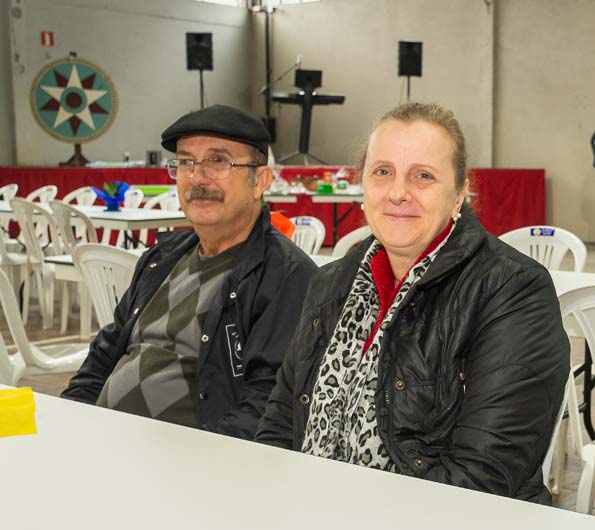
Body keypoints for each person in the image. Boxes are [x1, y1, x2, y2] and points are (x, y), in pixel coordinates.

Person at [256, 102, 569, 504]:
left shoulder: (513, 291)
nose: (398, 193)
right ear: (363, 186)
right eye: (382, 172)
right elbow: (280, 424)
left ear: (458, 195)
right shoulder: (329, 283)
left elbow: (482, 478)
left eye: (423, 176)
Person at [62, 104, 317, 440]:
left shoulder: (286, 277)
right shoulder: (161, 259)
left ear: (260, 181)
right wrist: (70, 420)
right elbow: (104, 353)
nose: (197, 178)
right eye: (185, 163)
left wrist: (195, 459)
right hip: (107, 440)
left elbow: (266, 403)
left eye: (218, 161)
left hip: (191, 459)